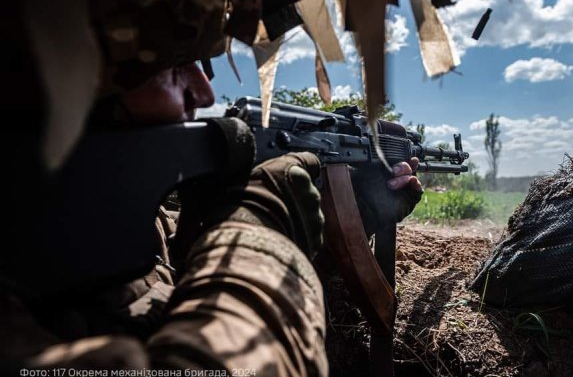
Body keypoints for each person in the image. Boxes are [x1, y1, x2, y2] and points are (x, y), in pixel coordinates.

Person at [0, 60, 422, 376]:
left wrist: (345, 222)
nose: (204, 92)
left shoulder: (138, 227)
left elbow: (206, 293)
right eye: (167, 67)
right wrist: (259, 232)